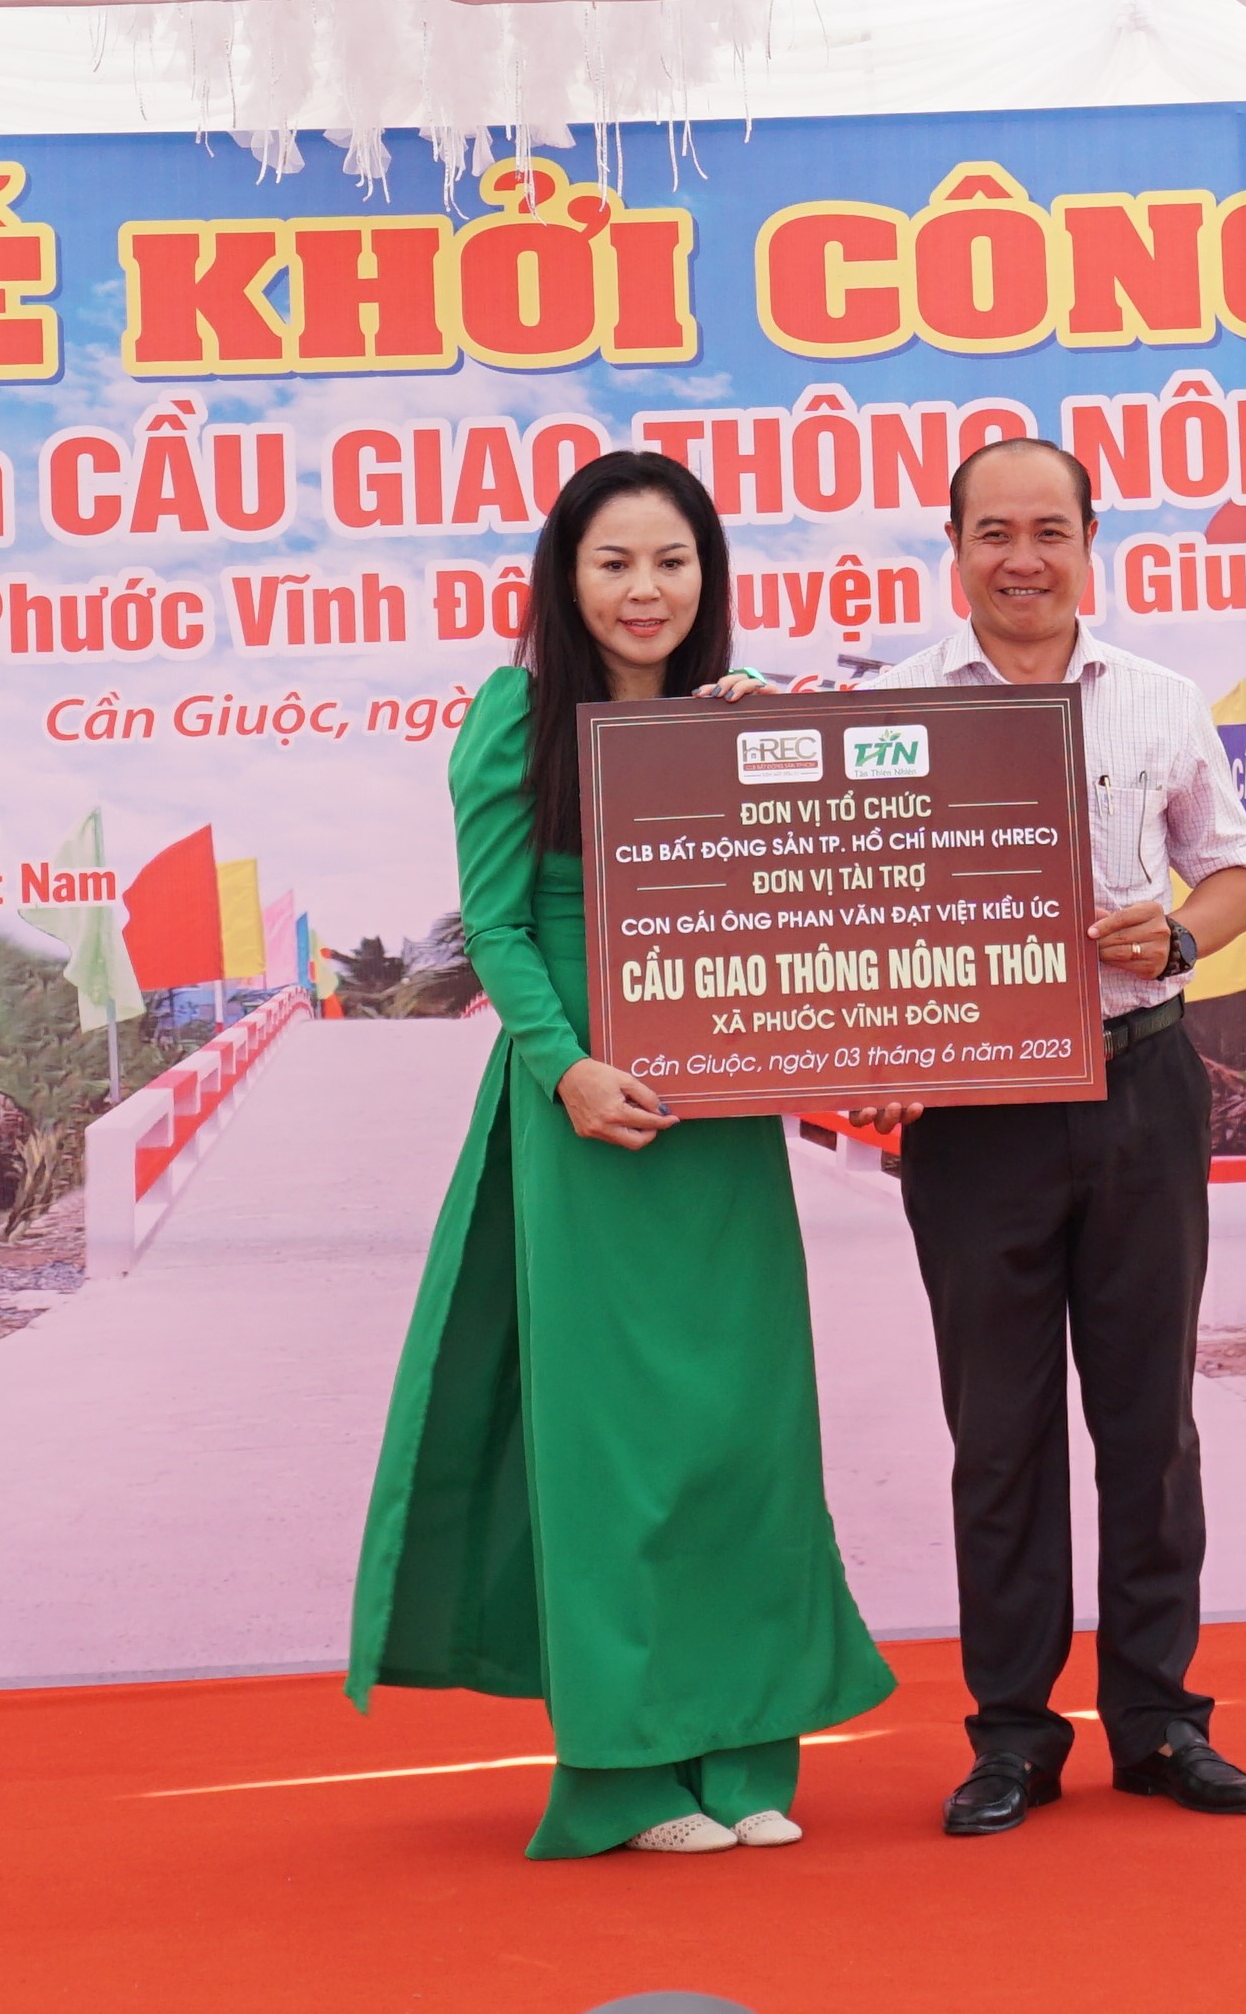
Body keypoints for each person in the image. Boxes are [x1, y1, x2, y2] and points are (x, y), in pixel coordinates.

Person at [346, 450, 894, 1857]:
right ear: (566, 577)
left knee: (744, 1432)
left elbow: (813, 908)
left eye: (671, 561)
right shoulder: (515, 714)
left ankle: (745, 1749)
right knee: (618, 1445)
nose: (645, 590)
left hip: (724, 1120)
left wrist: (777, 759)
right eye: (614, 563)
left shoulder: (736, 719)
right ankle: (625, 1771)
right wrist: (569, 1069)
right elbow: (498, 925)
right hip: (590, 1116)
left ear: (707, 575)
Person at [837, 436, 1246, 1837]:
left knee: (1150, 1425)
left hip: (1140, 1086)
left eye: (1049, 531)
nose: (1021, 559)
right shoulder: (888, 708)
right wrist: (873, 1051)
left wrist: (1177, 935)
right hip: (973, 1124)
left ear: (1090, 543)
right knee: (999, 1438)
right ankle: (1013, 1738)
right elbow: (838, 905)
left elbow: (1237, 869)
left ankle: (1160, 1723)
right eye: (993, 533)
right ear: (953, 547)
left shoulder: (1157, 698)